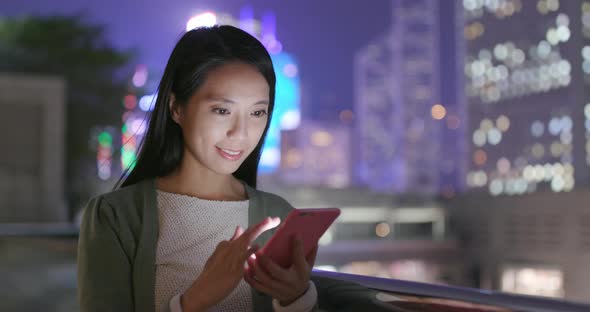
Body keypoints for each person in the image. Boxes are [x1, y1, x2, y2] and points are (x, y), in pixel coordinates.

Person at [77, 25, 319, 312]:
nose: (240, 133)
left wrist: (296, 299)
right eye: (222, 110)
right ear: (176, 107)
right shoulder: (116, 217)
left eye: (257, 112)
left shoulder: (279, 217)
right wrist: (194, 301)